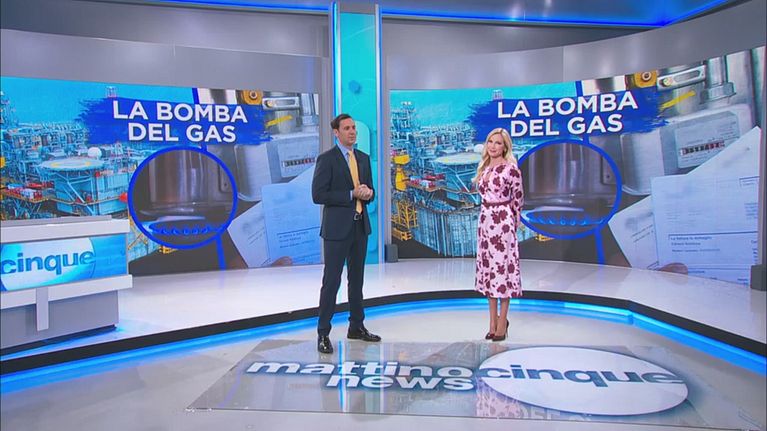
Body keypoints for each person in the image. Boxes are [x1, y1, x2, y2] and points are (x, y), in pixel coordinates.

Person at [311, 113, 381, 354]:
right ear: (336, 132)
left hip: (359, 227)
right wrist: (351, 194)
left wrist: (369, 194)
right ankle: (323, 333)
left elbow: (369, 190)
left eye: (353, 128)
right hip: (336, 230)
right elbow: (318, 195)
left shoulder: (363, 158)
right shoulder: (327, 159)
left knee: (357, 280)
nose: (352, 132)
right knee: (331, 281)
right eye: (347, 128)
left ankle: (356, 326)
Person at [473, 128, 524, 342]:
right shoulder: (484, 167)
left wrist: (512, 222)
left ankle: (503, 321)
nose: (493, 146)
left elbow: (518, 199)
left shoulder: (511, 170)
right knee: (489, 271)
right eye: (490, 142)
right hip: (485, 221)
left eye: (498, 143)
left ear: (505, 147)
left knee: (502, 270)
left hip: (502, 223)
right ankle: (492, 322)